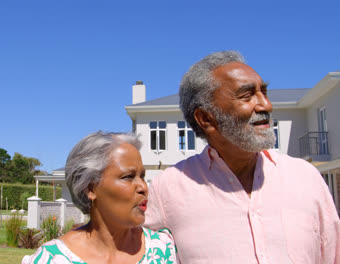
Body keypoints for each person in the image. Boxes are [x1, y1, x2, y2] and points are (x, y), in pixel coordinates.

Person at [144, 51, 340, 263]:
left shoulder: (305, 177)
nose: (265, 105)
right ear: (206, 118)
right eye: (247, 95)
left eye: (264, 92)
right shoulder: (167, 189)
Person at [22, 132, 178, 264]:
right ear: (90, 189)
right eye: (128, 177)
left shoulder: (164, 251)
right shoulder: (52, 259)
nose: (144, 187)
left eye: (142, 176)